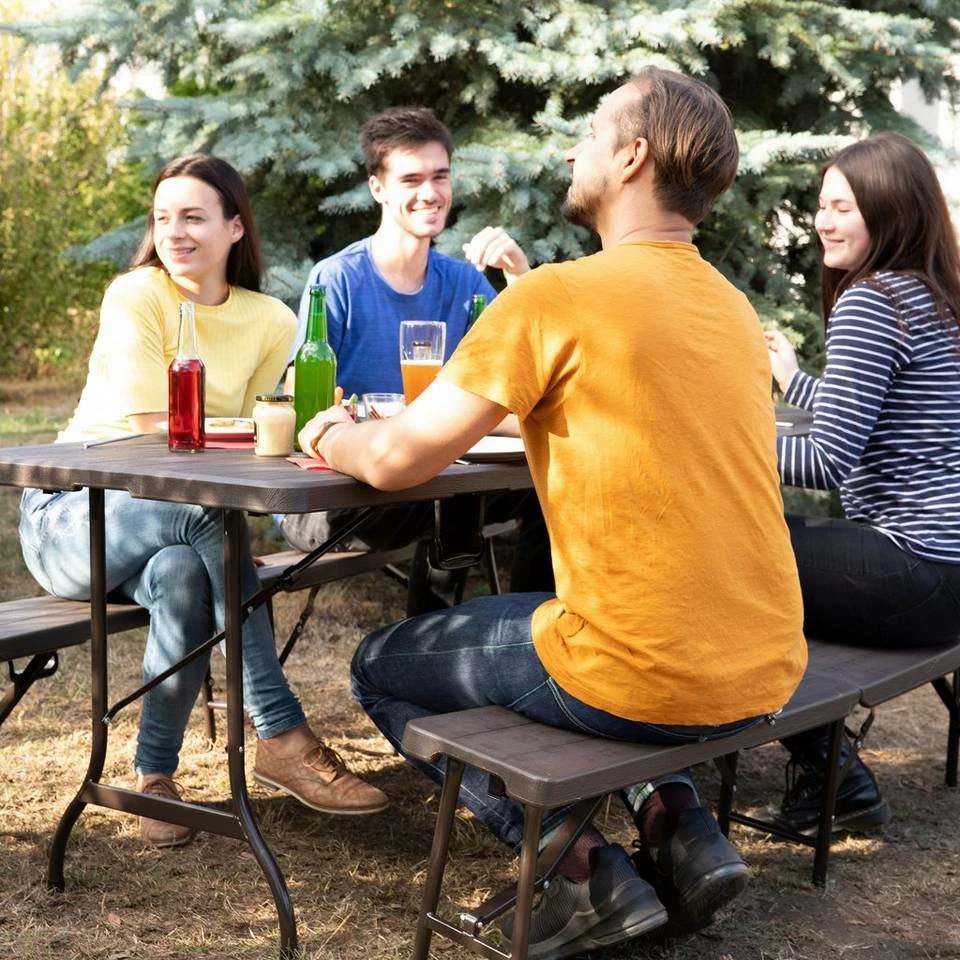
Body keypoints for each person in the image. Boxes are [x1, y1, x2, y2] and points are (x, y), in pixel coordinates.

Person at [298, 68, 807, 958]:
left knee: (380, 664)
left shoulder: (555, 296)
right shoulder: (732, 308)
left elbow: (391, 460)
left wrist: (331, 429)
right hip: (763, 668)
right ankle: (680, 824)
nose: (573, 148)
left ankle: (581, 869)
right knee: (560, 612)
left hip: (633, 677)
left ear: (635, 156)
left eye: (594, 130)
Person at [18, 154, 388, 849]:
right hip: (73, 517)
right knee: (207, 518)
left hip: (176, 536)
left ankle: (152, 775)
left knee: (191, 568)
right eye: (163, 218)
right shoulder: (138, 294)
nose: (175, 232)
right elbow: (150, 419)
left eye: (193, 217)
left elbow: (265, 432)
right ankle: (279, 731)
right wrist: (260, 424)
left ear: (234, 227)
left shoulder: (271, 319)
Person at [765, 132, 960, 835]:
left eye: (842, 206)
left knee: (732, 557)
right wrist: (792, 379)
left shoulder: (874, 301)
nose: (823, 221)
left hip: (914, 566)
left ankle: (832, 775)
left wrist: (716, 443)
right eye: (822, 205)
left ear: (890, 211)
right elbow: (881, 416)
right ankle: (828, 770)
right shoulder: (935, 297)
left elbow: (824, 463)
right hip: (950, 574)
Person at [279, 106, 553, 595]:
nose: (430, 193)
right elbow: (305, 405)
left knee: (549, 488)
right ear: (378, 188)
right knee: (446, 501)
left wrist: (518, 278)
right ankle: (425, 653)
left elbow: (527, 380)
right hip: (340, 493)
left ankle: (531, 643)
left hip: (437, 479)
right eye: (411, 179)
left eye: (440, 176)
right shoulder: (338, 278)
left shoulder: (464, 281)